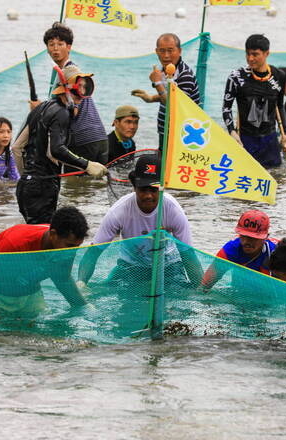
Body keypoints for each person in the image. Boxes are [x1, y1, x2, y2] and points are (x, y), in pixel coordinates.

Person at [77, 153, 203, 288]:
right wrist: (81, 283)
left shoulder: (173, 211)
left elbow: (188, 255)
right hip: (130, 266)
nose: (148, 196)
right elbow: (93, 252)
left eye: (154, 189)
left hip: (168, 266)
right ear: (134, 187)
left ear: (162, 188)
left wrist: (201, 289)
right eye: (143, 189)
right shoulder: (119, 211)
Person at [12, 65, 107, 224]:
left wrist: (27, 177)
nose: (82, 93)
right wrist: (87, 165)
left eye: (85, 87)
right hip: (44, 187)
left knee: (34, 235)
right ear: (67, 88)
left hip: (25, 188)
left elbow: (17, 147)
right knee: (43, 240)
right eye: (80, 87)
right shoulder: (62, 113)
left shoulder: (41, 107)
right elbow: (55, 151)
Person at [0, 206, 89, 319]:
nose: (73, 252)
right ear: (53, 234)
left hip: (26, 288)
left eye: (77, 246)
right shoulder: (14, 244)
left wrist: (84, 308)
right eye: (70, 246)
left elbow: (63, 279)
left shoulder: (66, 248)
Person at [30, 22, 108, 165]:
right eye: (51, 44)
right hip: (99, 136)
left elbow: (73, 110)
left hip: (82, 139)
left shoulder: (71, 72)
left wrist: (40, 108)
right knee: (95, 185)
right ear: (46, 48)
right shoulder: (64, 72)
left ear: (69, 47)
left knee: (75, 185)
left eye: (60, 44)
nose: (55, 49)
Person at [222, 34, 286, 168]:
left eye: (255, 54)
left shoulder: (279, 76)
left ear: (266, 54)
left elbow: (280, 105)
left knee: (277, 179)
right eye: (247, 54)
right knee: (244, 178)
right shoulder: (236, 77)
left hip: (269, 139)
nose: (250, 58)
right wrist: (231, 131)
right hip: (245, 139)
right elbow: (226, 108)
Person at [131, 33, 200, 150]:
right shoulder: (166, 70)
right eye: (162, 51)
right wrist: (150, 98)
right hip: (165, 130)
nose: (166, 55)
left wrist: (157, 84)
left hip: (183, 133)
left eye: (170, 50)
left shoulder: (185, 75)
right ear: (156, 51)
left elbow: (175, 107)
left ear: (179, 51)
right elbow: (171, 96)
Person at [201, 210, 279, 290]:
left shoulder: (277, 253)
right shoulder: (230, 250)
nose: (246, 242)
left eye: (253, 238)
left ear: (266, 237)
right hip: (238, 291)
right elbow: (204, 285)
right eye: (243, 236)